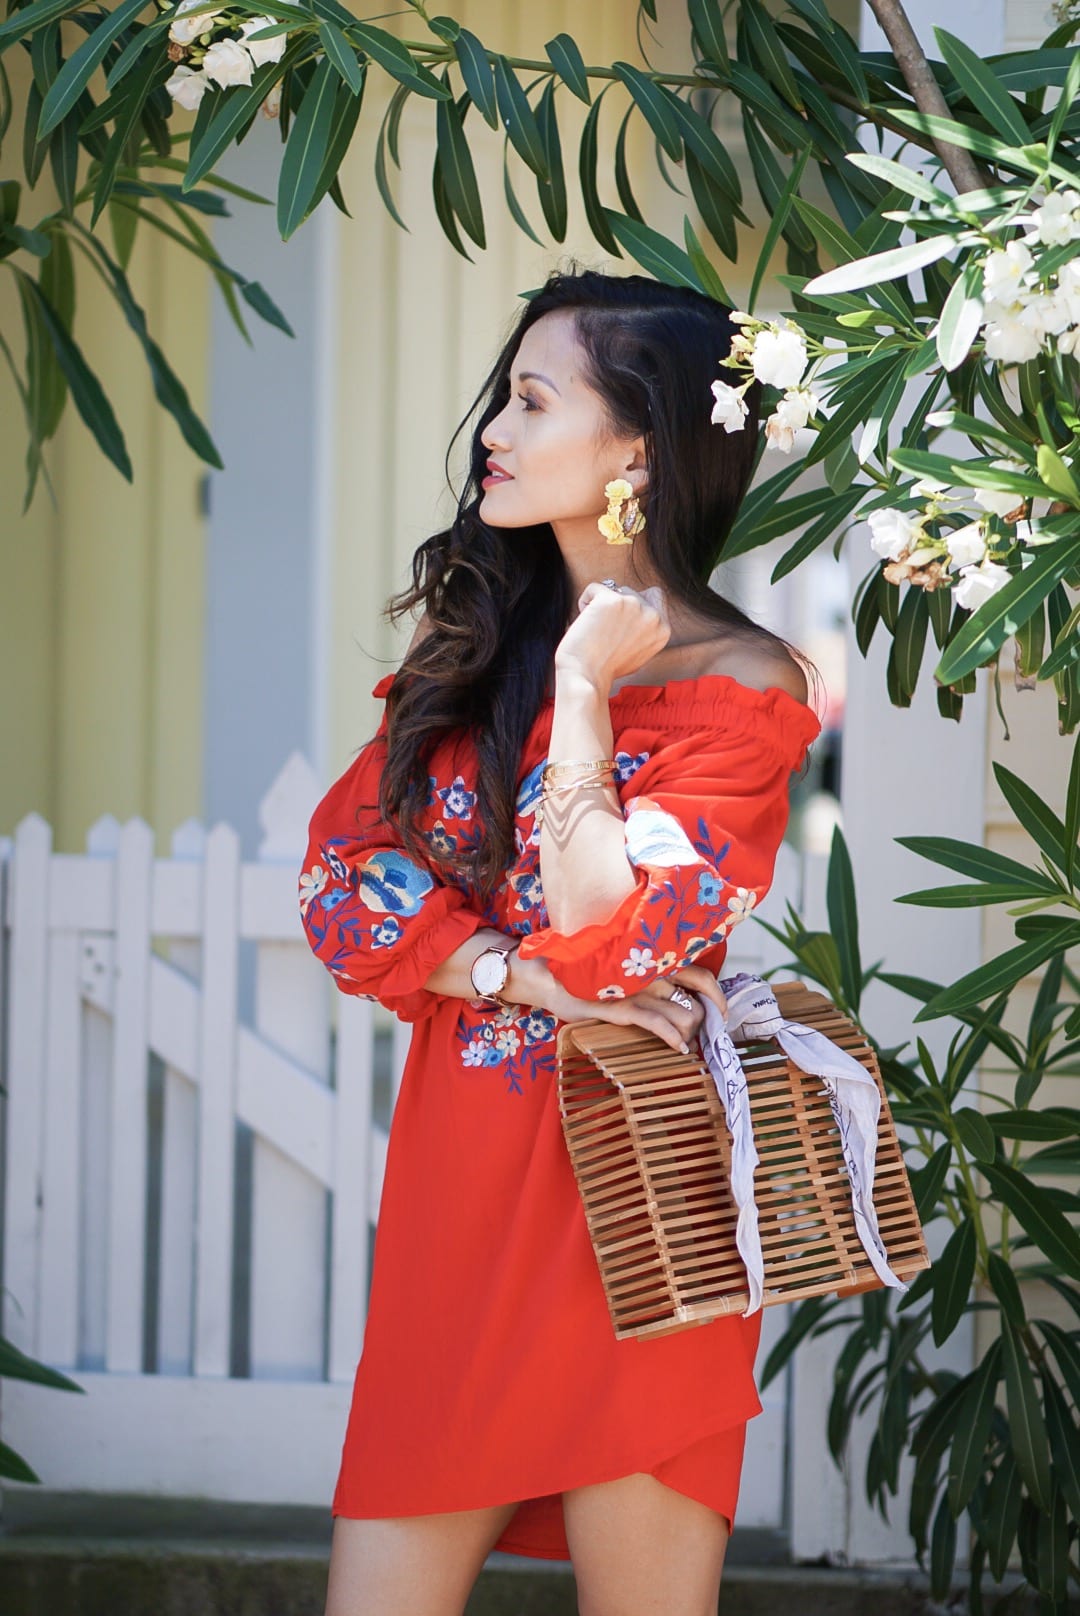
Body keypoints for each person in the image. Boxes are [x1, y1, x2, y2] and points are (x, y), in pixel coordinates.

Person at [299, 269, 822, 1616]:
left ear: (637, 445)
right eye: (508, 397)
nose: (497, 429)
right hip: (459, 1207)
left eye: (536, 401)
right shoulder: (469, 652)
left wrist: (588, 693)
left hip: (639, 1217)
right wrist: (504, 969)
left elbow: (621, 940)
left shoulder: (744, 686)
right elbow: (342, 880)